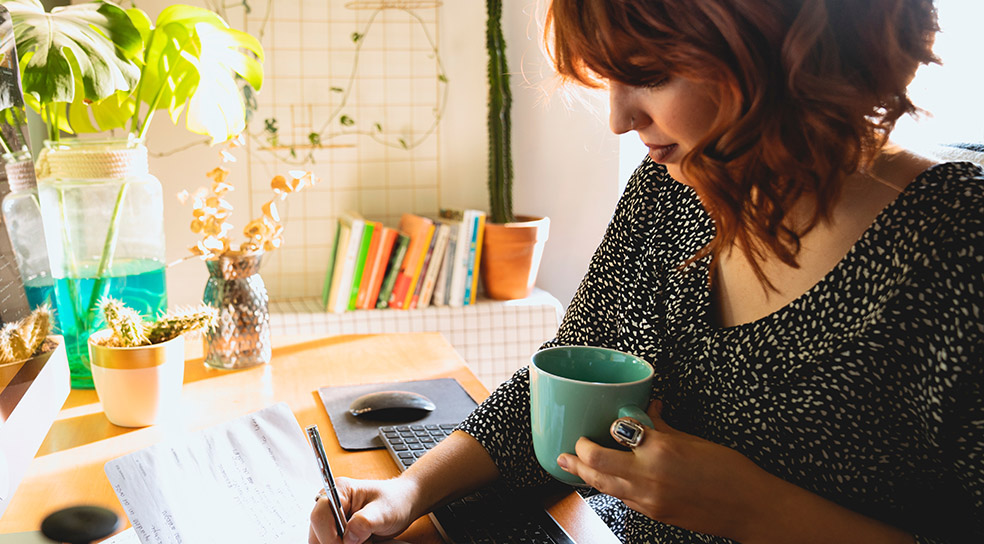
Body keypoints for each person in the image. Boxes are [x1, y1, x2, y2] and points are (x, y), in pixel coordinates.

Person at [309, 0, 983, 542]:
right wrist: (407, 491)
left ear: (784, 51)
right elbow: (561, 386)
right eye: (610, 78)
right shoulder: (674, 185)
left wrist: (753, 509)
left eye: (651, 74)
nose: (618, 117)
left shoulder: (959, 244)